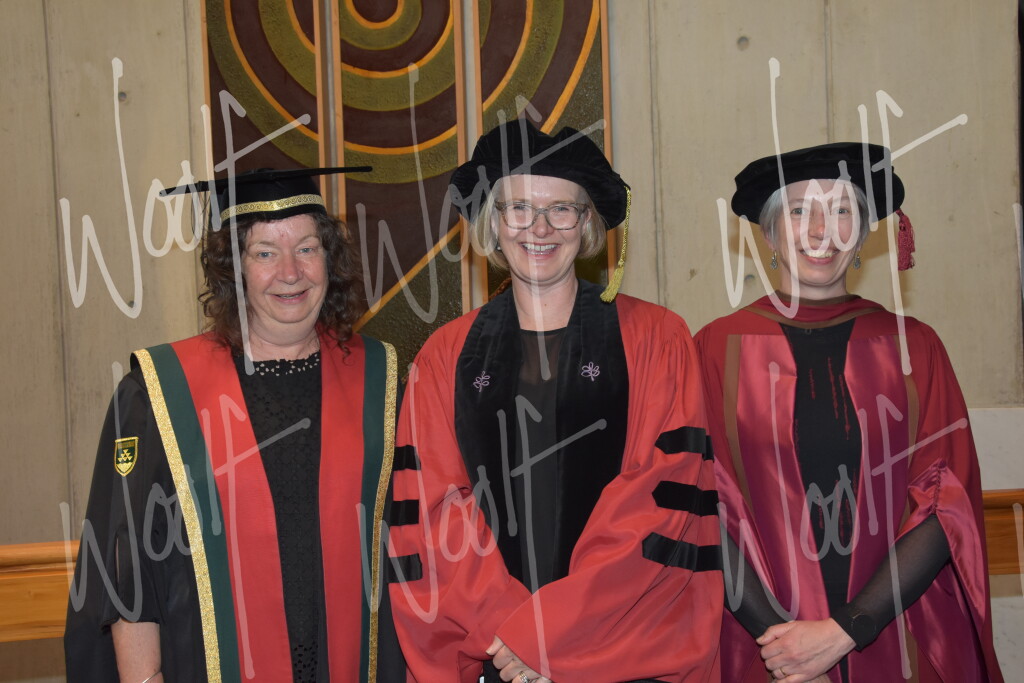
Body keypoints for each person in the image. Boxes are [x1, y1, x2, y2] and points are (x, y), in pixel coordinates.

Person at [385, 119, 722, 683]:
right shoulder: (445, 354)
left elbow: (658, 499)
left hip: (621, 648)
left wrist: (549, 634)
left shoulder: (656, 339)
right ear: (494, 222)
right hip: (497, 652)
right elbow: (434, 509)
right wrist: (514, 634)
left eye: (561, 209)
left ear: (586, 222)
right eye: (519, 208)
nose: (539, 228)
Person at [64, 167, 406, 682]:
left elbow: (416, 544)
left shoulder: (384, 381)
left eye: (307, 248)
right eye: (264, 253)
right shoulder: (159, 393)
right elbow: (125, 566)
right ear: (233, 269)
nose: (290, 272)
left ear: (330, 260)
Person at [696, 143, 1004, 682]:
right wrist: (784, 647)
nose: (822, 231)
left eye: (842, 211)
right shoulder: (715, 349)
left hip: (891, 631)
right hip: (760, 645)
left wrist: (847, 629)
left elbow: (944, 502)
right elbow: (700, 504)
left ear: (862, 235)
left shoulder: (915, 348)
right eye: (799, 211)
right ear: (769, 234)